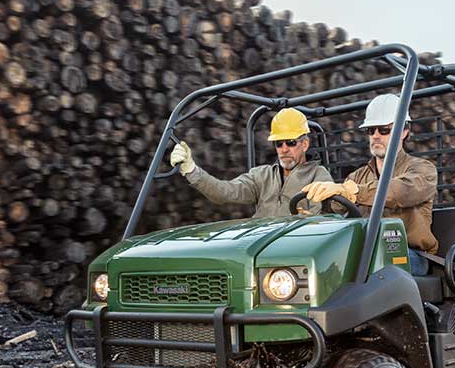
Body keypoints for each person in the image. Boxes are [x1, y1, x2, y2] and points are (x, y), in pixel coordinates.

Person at [301, 93, 439, 275]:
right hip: (367, 251)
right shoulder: (357, 176)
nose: (375, 136)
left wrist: (354, 192)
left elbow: (402, 191)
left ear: (404, 131)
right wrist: (318, 211)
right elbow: (339, 208)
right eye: (370, 130)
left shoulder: (422, 169)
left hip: (409, 253)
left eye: (384, 130)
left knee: (364, 264)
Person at [169, 107, 334, 218]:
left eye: (290, 142)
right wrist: (191, 170)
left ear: (304, 144)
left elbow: (319, 222)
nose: (284, 149)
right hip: (260, 248)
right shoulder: (261, 175)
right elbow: (224, 192)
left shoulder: (319, 175)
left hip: (295, 252)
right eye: (278, 143)